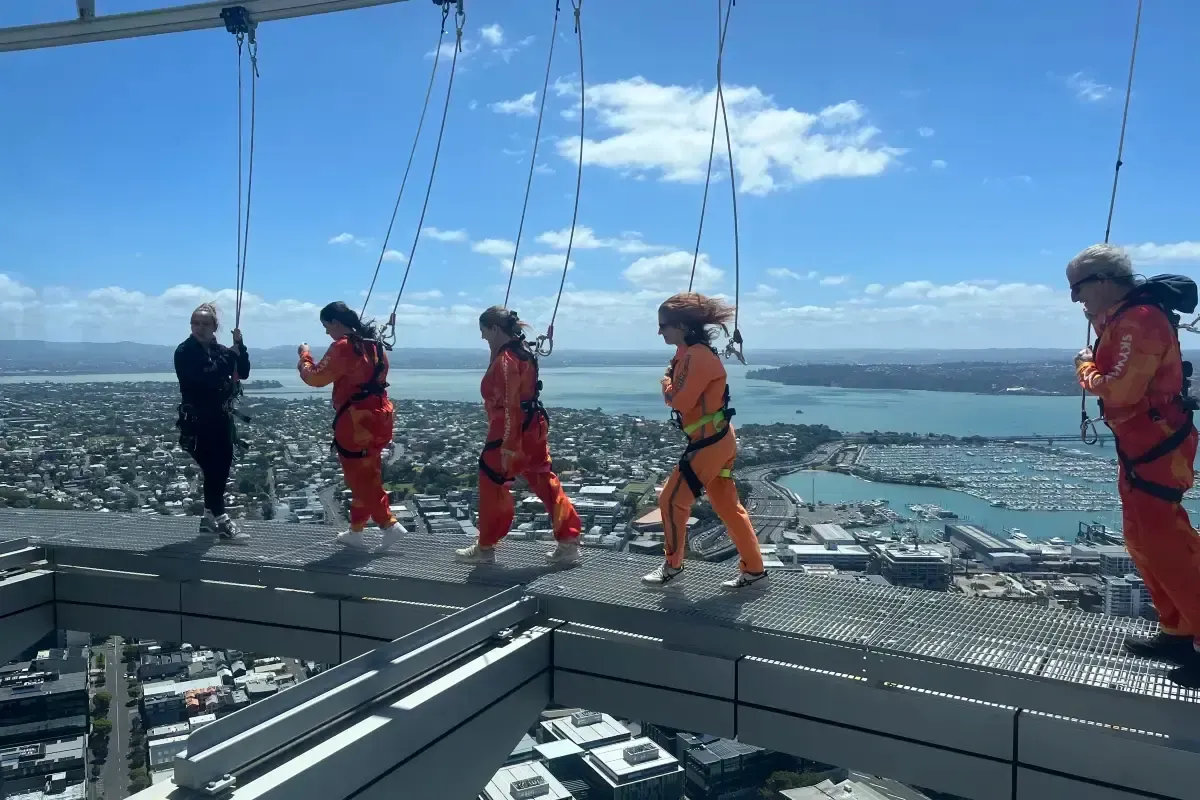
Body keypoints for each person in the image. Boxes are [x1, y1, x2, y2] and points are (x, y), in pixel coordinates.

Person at [1069, 244, 1200, 687]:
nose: (1075, 298)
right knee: (1143, 540)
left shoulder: (1140, 320)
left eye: (1078, 288)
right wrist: (1098, 324)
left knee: (1165, 543)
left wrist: (1085, 368)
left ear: (1105, 281)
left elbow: (1121, 390)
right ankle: (1178, 629)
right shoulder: (1124, 318)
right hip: (1143, 446)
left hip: (1158, 446)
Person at [645, 292, 767, 589]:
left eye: (663, 325)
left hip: (708, 443)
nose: (659, 332)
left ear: (681, 325)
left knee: (671, 500)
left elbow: (680, 401)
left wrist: (666, 382)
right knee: (728, 507)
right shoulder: (692, 352)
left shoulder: (695, 356)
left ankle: (673, 567)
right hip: (719, 438)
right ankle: (754, 571)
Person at [455, 307, 583, 565]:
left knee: (492, 482)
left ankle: (486, 546)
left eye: (483, 331)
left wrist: (508, 445)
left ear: (494, 329)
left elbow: (510, 404)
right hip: (534, 425)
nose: (482, 337)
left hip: (510, 430)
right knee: (543, 479)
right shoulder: (523, 351)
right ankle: (568, 540)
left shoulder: (506, 360)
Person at [298, 302, 406, 552]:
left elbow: (315, 377)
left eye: (327, 326)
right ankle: (356, 531)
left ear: (336, 322)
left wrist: (304, 356)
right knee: (367, 476)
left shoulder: (345, 346)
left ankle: (389, 525)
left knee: (359, 480)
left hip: (356, 422)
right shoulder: (374, 344)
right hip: (380, 417)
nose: (327, 332)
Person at [174, 303, 250, 542]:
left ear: (214, 327)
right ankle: (222, 521)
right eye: (195, 323)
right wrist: (231, 355)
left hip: (220, 419)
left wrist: (240, 347)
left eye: (205, 323)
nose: (199, 327)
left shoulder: (219, 350)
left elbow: (243, 371)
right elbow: (206, 377)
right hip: (198, 422)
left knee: (219, 470)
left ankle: (208, 520)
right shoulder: (185, 351)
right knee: (214, 469)